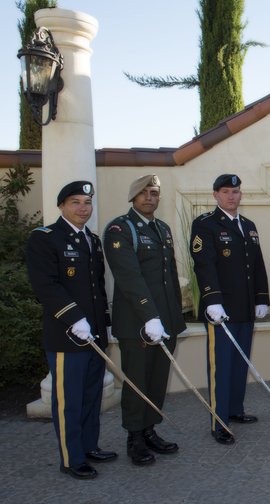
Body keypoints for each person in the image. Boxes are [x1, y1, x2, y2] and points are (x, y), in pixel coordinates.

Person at [26, 181, 115, 479]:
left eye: (87, 202)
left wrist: (104, 325)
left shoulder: (91, 240)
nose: (82, 208)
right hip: (67, 335)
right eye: (75, 202)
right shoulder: (45, 238)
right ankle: (71, 457)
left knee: (91, 396)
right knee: (69, 400)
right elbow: (45, 285)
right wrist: (74, 318)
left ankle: (90, 446)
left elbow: (97, 289)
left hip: (94, 335)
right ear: (62, 205)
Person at [104, 174, 186, 465]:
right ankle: (134, 437)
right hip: (138, 323)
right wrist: (150, 317)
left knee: (157, 378)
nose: (150, 197)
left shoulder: (161, 229)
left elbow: (169, 278)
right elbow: (130, 278)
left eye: (155, 193)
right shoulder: (120, 229)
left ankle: (150, 430)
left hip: (165, 322)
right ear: (133, 196)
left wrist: (175, 316)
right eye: (145, 193)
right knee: (138, 380)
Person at [190, 174, 270, 445]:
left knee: (240, 363)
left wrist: (261, 298)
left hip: (245, 308)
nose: (231, 196)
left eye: (235, 192)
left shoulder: (248, 226)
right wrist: (212, 300)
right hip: (220, 310)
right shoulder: (205, 225)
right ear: (215, 195)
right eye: (226, 192)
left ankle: (235, 410)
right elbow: (204, 264)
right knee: (221, 367)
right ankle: (219, 420)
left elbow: (257, 264)